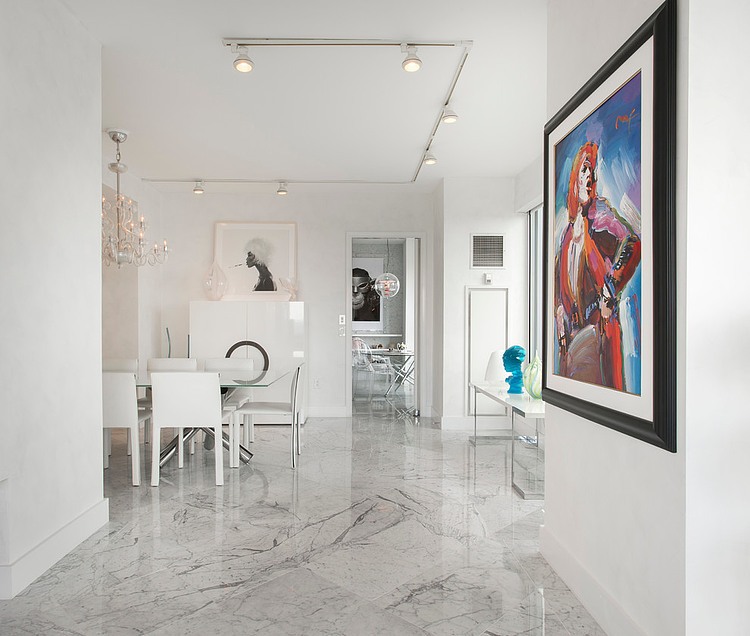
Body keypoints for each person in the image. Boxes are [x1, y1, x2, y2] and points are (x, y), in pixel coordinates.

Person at [554, 141, 640, 391]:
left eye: (592, 172)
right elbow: (559, 279)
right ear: (575, 178)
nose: (589, 178)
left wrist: (610, 289)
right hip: (573, 338)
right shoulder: (567, 233)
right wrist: (558, 311)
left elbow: (632, 243)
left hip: (598, 330)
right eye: (584, 170)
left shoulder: (600, 213)